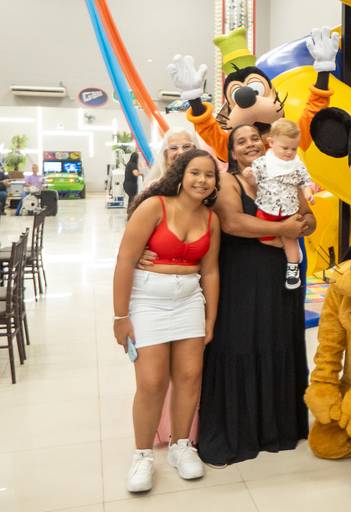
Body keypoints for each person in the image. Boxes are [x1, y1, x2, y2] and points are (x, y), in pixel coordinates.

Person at [140, 124, 315, 465]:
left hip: (280, 278)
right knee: (239, 343)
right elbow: (234, 223)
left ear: (266, 143)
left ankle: (277, 426)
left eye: (254, 139)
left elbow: (308, 218)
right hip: (242, 277)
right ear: (231, 151)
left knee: (277, 341)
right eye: (241, 141)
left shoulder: (286, 175)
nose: (249, 144)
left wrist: (303, 224)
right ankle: (237, 429)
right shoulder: (228, 182)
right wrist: (284, 228)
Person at [113, 149, 221, 492]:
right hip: (148, 302)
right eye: (195, 173)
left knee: (190, 377)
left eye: (209, 175)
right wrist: (120, 316)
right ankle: (143, 456)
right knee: (151, 382)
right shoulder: (154, 207)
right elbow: (125, 260)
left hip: (189, 301)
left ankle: (181, 446)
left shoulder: (211, 219)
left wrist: (211, 318)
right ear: (181, 175)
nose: (202, 180)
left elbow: (211, 271)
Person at [241, 119, 315, 290]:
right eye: (285, 148)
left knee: (289, 237)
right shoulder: (263, 163)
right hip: (267, 208)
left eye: (293, 149)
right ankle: (285, 246)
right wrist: (249, 176)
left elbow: (305, 181)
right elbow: (255, 183)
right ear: (271, 142)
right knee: (264, 237)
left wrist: (308, 192)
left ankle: (292, 267)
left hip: (289, 209)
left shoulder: (296, 164)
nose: (289, 153)